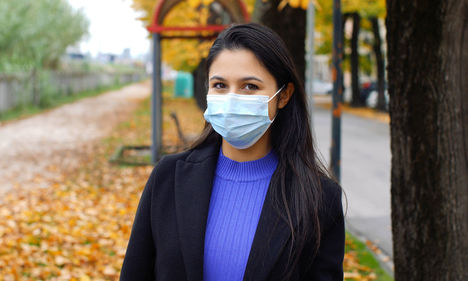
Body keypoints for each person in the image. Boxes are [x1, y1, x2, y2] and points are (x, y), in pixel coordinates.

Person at [120, 23, 345, 281]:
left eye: (250, 86)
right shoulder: (168, 177)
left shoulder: (319, 198)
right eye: (220, 85)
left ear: (284, 96)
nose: (232, 98)